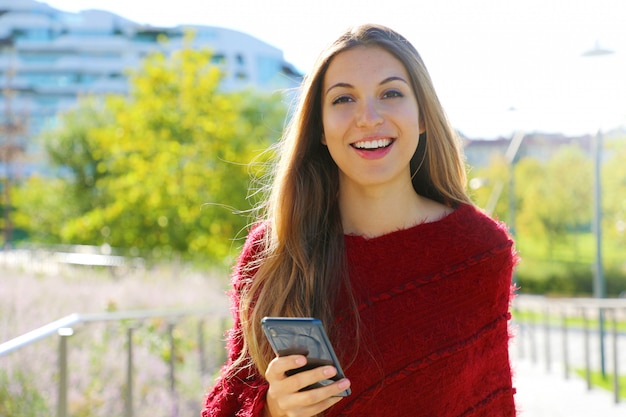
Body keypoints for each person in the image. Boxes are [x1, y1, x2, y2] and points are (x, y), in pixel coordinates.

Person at [202, 23, 517, 417]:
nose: (368, 117)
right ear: (319, 127)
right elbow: (229, 402)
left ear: (422, 116)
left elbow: (492, 405)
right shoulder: (274, 250)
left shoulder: (479, 251)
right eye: (343, 99)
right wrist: (273, 408)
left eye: (391, 93)